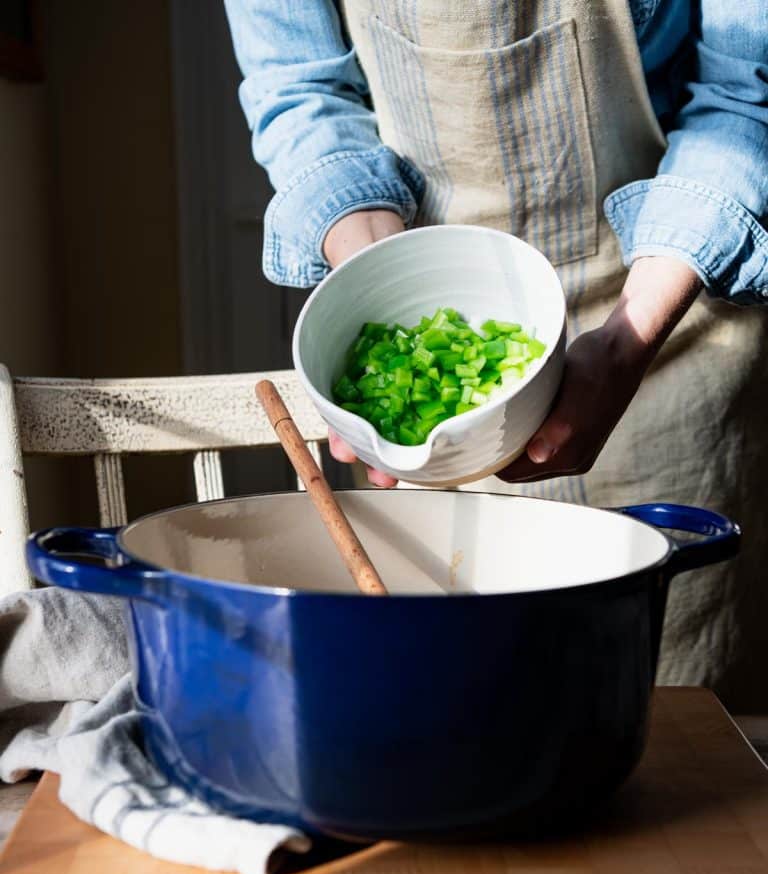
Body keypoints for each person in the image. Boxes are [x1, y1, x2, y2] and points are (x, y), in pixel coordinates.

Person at [224, 1, 768, 710]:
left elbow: (745, 92)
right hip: (425, 301)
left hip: (671, 325)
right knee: (450, 713)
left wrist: (628, 341)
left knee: (677, 739)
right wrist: (379, 288)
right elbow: (300, 89)